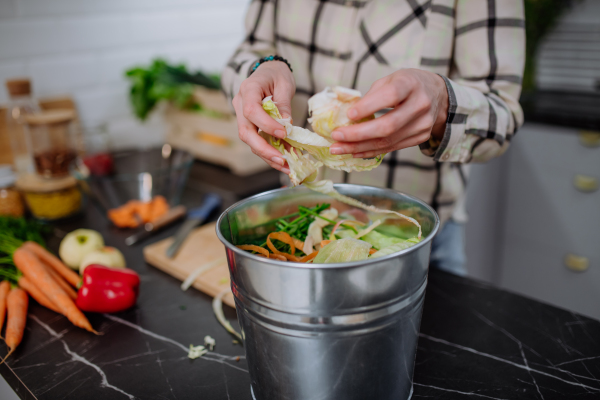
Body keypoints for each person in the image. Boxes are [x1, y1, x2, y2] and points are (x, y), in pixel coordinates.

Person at [221, 0, 525, 276]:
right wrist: (260, 69)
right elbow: (248, 51)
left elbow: (504, 114)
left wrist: (442, 103)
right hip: (301, 229)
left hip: (415, 244)